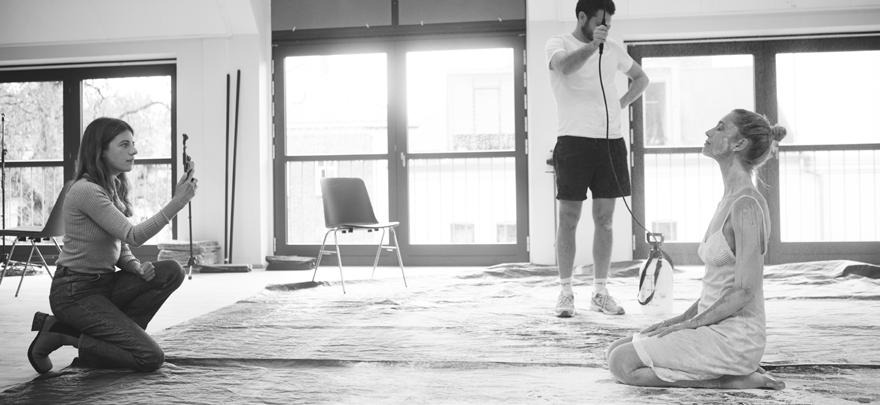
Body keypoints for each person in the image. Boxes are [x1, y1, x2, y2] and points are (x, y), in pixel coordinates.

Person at [605, 109, 787, 390]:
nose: (709, 132)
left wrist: (689, 326)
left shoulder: (747, 206)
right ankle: (719, 371)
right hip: (713, 325)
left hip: (736, 338)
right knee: (615, 348)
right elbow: (716, 289)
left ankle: (733, 380)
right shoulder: (728, 199)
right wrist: (678, 320)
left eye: (720, 127)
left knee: (622, 363)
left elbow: (744, 291)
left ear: (739, 143)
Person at [26, 117, 197, 373]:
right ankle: (62, 333)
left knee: (171, 271)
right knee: (150, 357)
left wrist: (135, 267)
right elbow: (133, 235)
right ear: (101, 151)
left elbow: (119, 244)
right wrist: (177, 203)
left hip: (104, 285)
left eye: (133, 144)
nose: (134, 151)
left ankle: (113, 345)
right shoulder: (86, 190)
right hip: (74, 293)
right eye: (124, 145)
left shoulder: (111, 186)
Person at [545, 0, 649, 317]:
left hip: (610, 142)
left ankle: (600, 292)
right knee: (568, 219)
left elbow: (641, 79)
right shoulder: (558, 43)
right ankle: (565, 292)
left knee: (605, 220)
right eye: (600, 23)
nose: (605, 29)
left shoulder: (613, 49)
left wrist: (619, 104)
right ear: (582, 17)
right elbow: (564, 67)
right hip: (573, 141)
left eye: (609, 25)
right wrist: (593, 46)